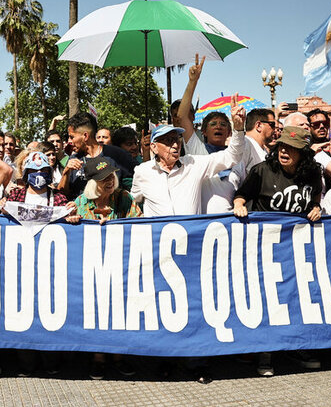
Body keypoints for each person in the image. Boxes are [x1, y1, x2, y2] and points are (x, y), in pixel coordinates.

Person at [232, 126, 323, 376]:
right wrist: (239, 205)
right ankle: (265, 353)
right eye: (281, 146)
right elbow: (241, 195)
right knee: (270, 298)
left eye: (292, 148)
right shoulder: (262, 170)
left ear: (304, 154)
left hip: (298, 248)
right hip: (266, 248)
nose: (284, 151)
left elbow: (315, 199)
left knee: (299, 297)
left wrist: (316, 208)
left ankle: (301, 348)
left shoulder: (313, 173)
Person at [64, 157, 141, 380]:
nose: (109, 181)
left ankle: (118, 356)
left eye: (111, 176)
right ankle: (97, 358)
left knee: (119, 311)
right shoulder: (79, 203)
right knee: (96, 312)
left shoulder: (124, 198)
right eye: (102, 178)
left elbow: (140, 223)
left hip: (120, 266)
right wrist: (70, 220)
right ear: (91, 182)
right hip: (91, 268)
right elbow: (63, 225)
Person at [131, 104, 246, 216]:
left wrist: (238, 128)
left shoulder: (193, 164)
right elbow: (132, 204)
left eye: (177, 139)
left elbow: (233, 155)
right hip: (159, 235)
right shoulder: (142, 172)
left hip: (192, 234)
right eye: (169, 140)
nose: (175, 145)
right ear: (154, 147)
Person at [60, 112, 137, 198]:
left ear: (85, 136)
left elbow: (140, 179)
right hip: (81, 211)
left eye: (72, 137)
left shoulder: (117, 155)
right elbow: (62, 194)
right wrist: (66, 172)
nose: (69, 141)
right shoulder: (73, 160)